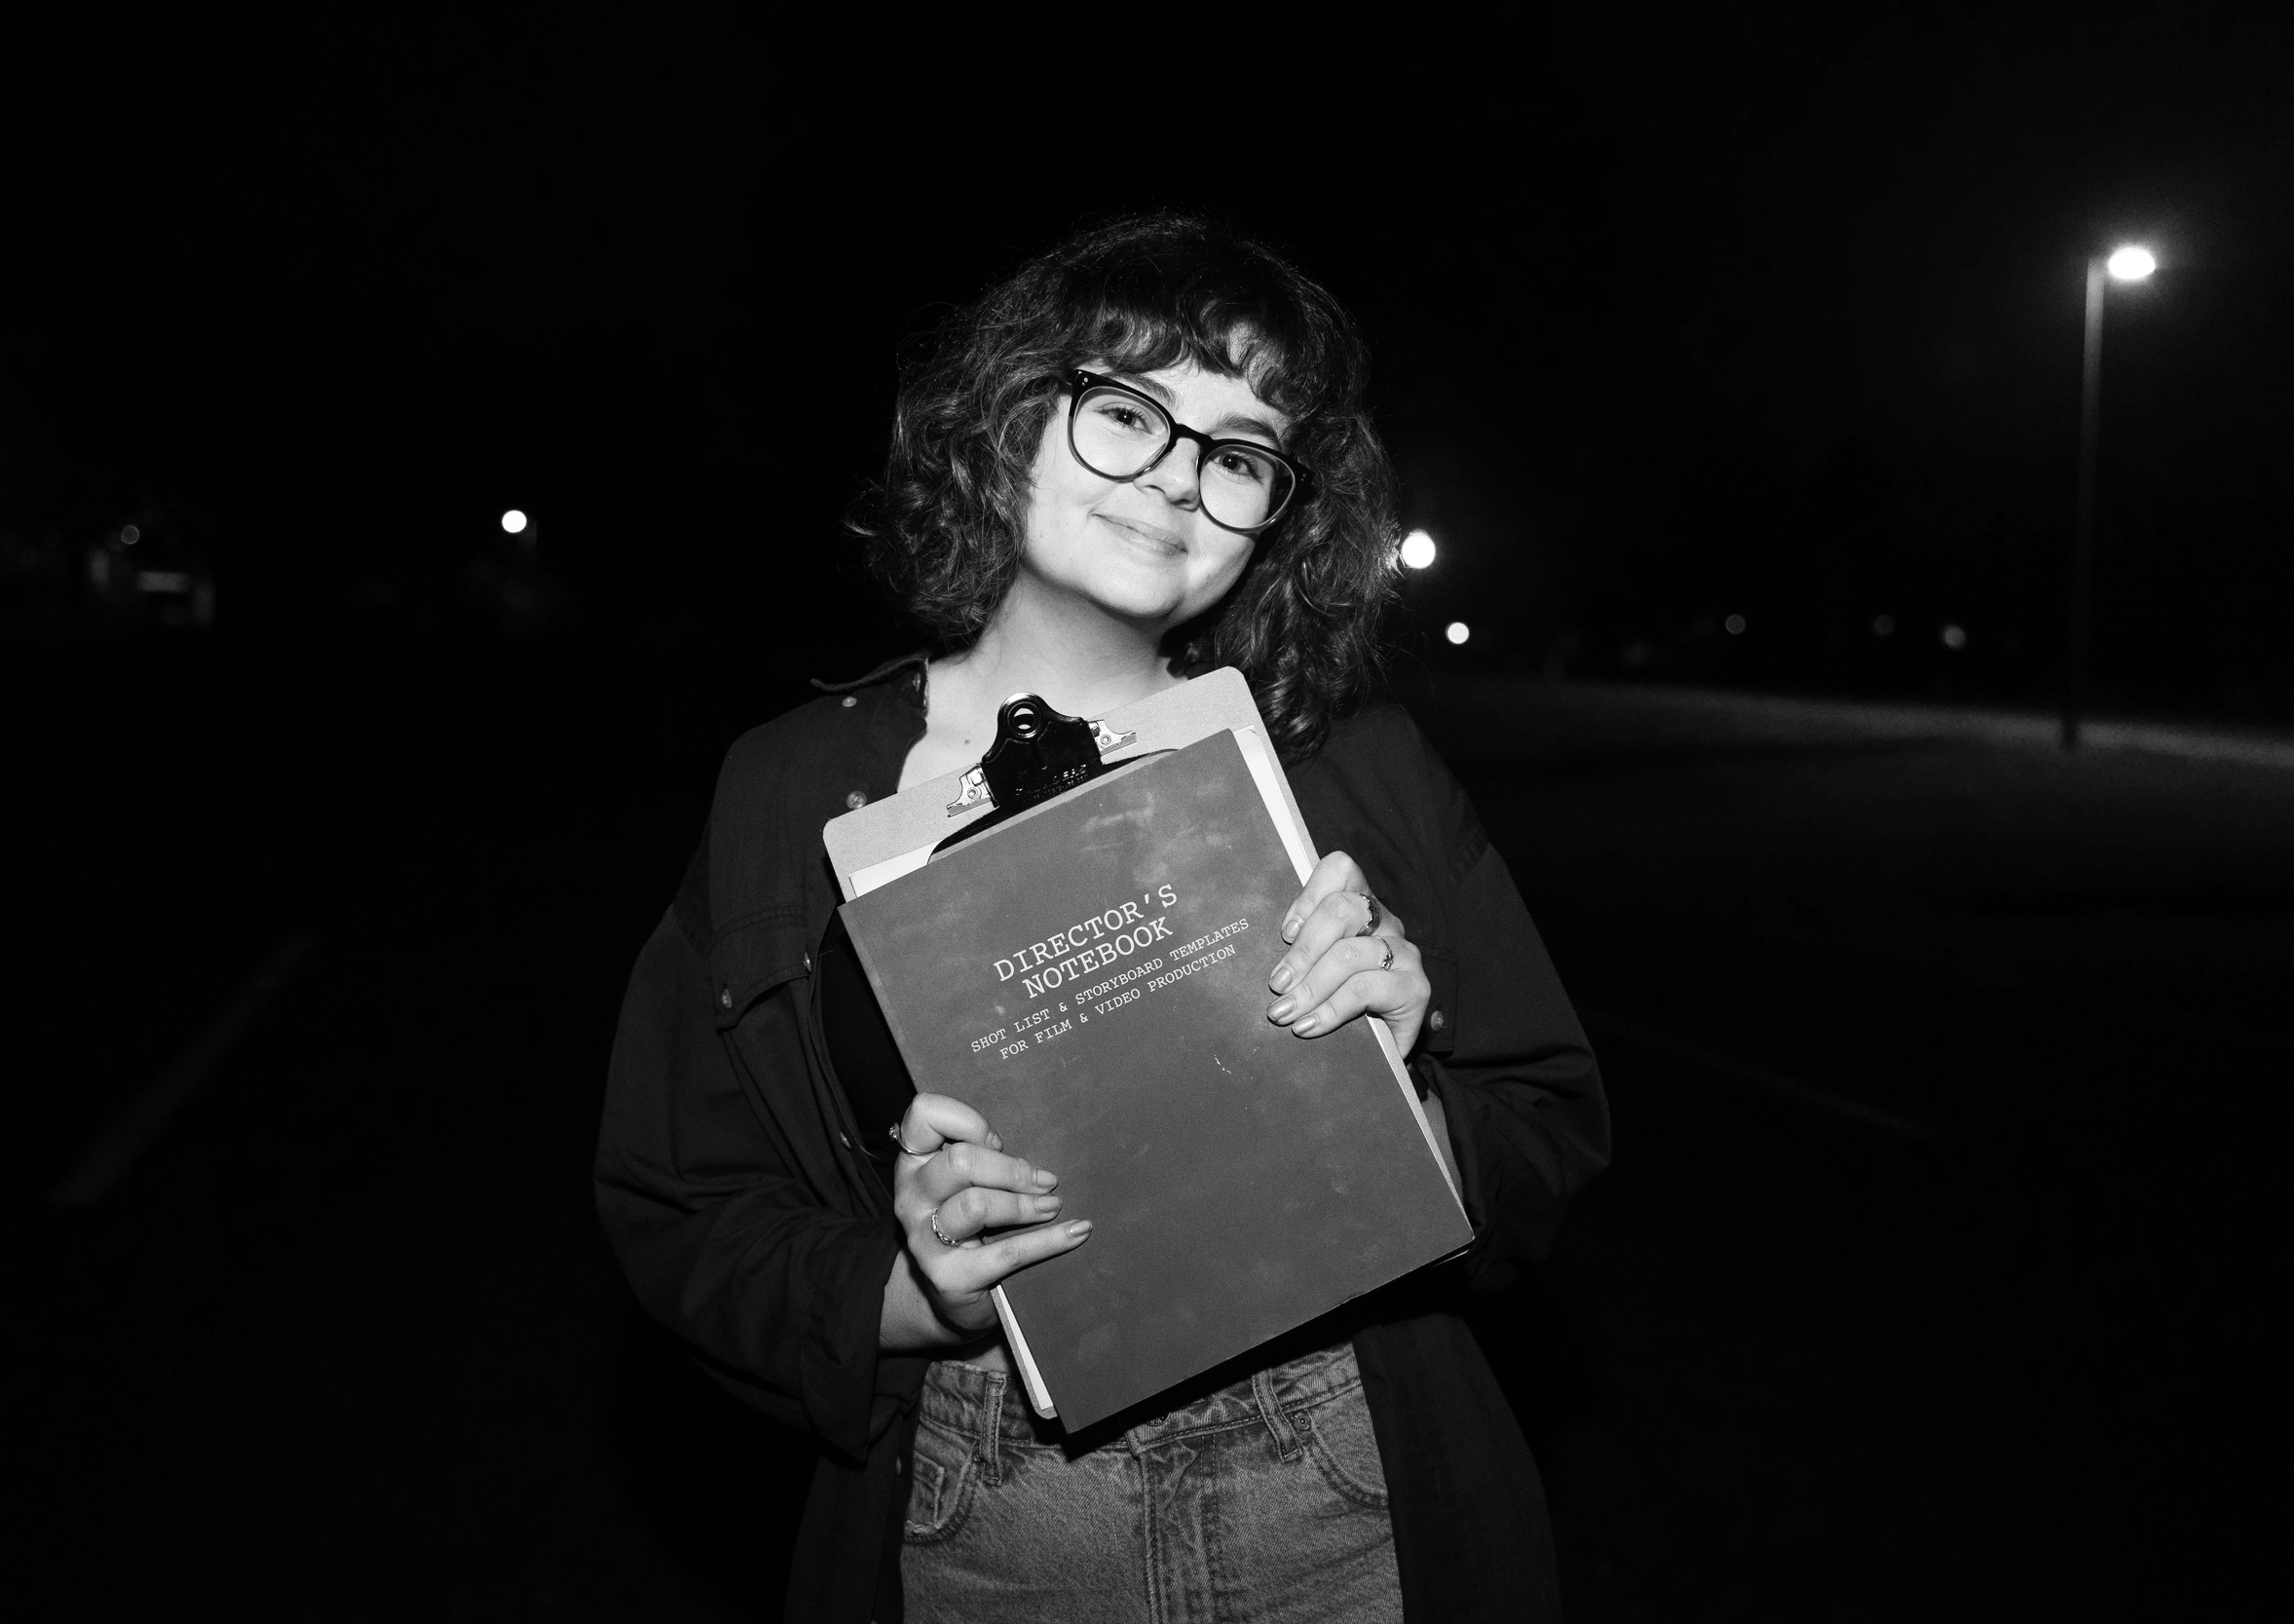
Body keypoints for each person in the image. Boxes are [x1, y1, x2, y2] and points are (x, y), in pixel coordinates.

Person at [596, 213, 1609, 1624]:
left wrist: (1405, 1096)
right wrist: (917, 1292)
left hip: (1339, 1488)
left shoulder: (1358, 764)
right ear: (1013, 417)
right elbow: (683, 1207)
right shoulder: (789, 793)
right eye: (1130, 411)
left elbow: (1548, 1132)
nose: (1181, 477)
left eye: (1240, 453)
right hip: (982, 1508)